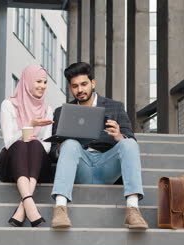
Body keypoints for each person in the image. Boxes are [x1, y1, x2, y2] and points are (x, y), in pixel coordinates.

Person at [50, 62, 148, 229]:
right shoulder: (62, 112)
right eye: (75, 86)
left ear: (93, 83)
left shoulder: (115, 107)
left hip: (107, 166)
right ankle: (60, 208)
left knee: (129, 143)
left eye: (84, 84)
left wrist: (119, 136)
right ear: (70, 88)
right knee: (70, 144)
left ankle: (133, 209)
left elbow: (130, 139)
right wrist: (62, 145)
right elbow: (53, 153)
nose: (80, 90)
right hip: (81, 165)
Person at [0, 65, 54, 227]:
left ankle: (24, 205)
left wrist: (31, 135)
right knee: (21, 144)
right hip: (10, 164)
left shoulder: (47, 110)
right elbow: (9, 142)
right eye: (38, 81)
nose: (42, 86)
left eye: (45, 82)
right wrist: (29, 125)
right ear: (27, 82)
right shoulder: (8, 105)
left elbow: (47, 146)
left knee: (35, 143)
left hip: (37, 165)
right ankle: (29, 202)